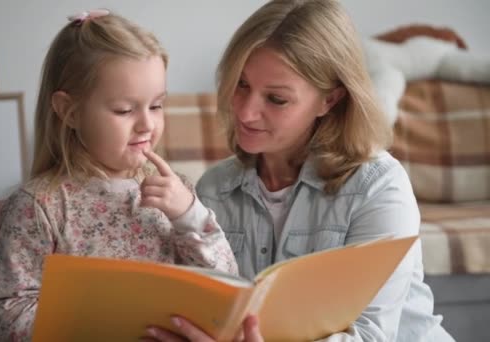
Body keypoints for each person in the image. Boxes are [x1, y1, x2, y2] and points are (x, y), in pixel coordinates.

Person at [145, 0, 454, 341]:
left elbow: (369, 336)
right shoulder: (215, 188)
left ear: (330, 100)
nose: (246, 113)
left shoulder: (379, 187)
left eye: (276, 99)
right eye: (241, 84)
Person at [0, 9, 238, 341]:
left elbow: (226, 288)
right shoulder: (41, 205)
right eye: (125, 110)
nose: (147, 124)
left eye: (156, 106)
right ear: (69, 111)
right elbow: (3, 314)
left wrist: (190, 216)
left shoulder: (175, 193)